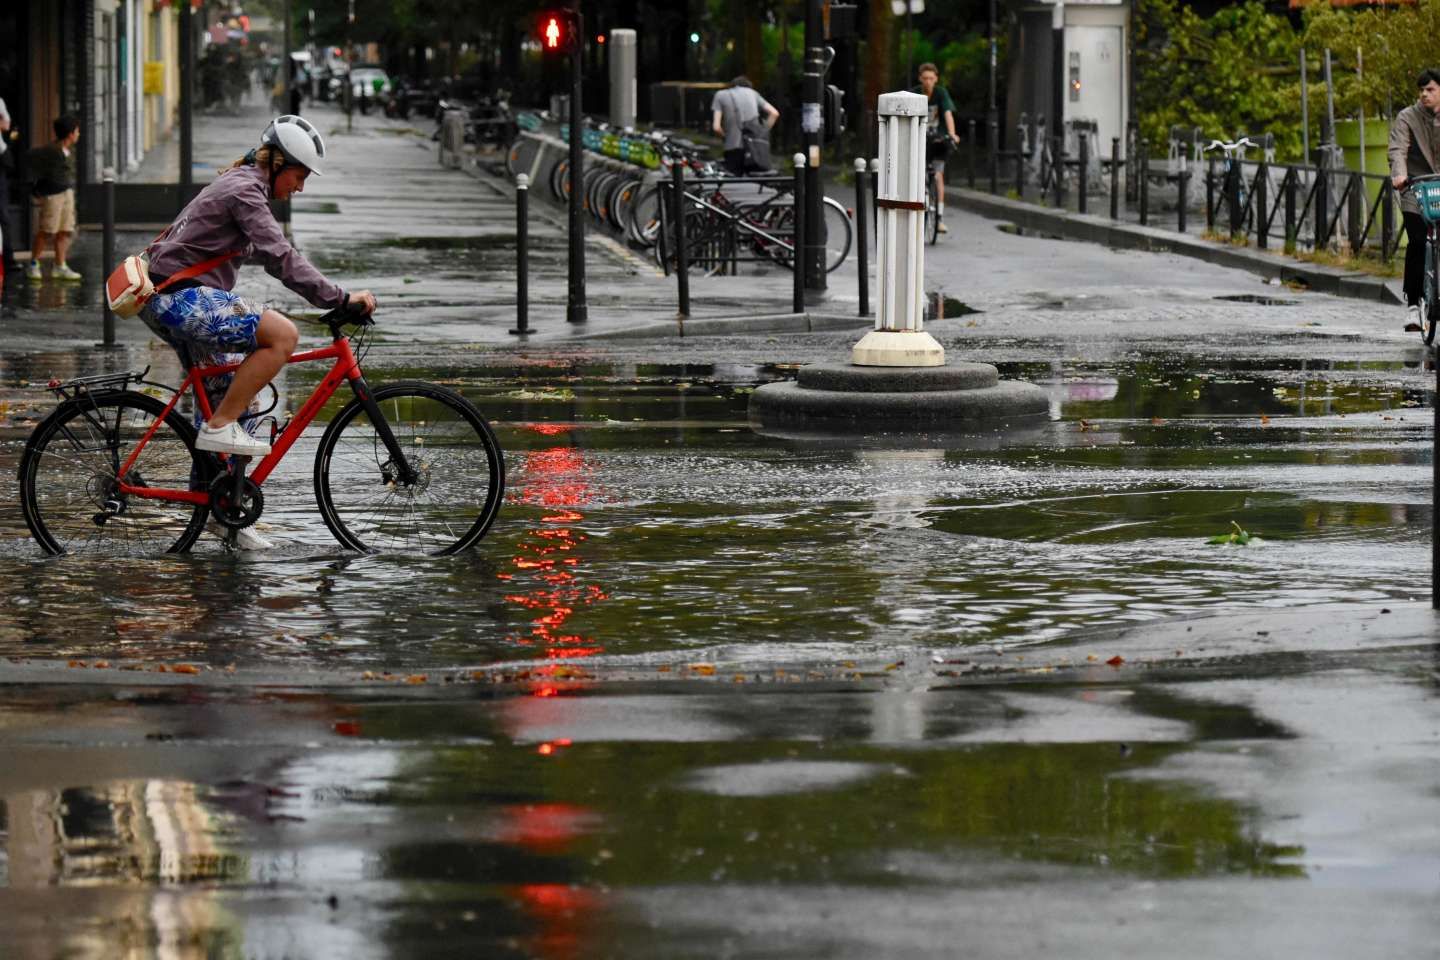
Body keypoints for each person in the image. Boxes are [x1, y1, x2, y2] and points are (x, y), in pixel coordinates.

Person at [139, 115, 375, 543]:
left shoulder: (244, 182)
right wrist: (338, 298)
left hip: (173, 297)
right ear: (278, 162)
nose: (300, 187)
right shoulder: (246, 190)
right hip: (177, 298)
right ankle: (218, 427)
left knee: (240, 401)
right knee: (282, 336)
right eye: (299, 176)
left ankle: (224, 510)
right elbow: (280, 257)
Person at [1389, 68, 1440, 330]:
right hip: (1415, 188)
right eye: (1421, 90)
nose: (1424, 95)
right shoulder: (1407, 117)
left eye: (1430, 89)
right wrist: (1400, 175)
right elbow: (1398, 149)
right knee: (1418, 240)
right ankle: (1412, 304)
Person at [26, 115, 81, 282]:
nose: (79, 134)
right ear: (70, 134)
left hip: (67, 193)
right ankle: (34, 264)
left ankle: (60, 265)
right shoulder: (51, 150)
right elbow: (30, 159)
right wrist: (36, 187)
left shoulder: (69, 150)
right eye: (77, 131)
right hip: (53, 196)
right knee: (47, 230)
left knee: (64, 231)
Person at [913, 63, 960, 234]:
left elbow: (947, 113)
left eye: (931, 79)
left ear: (936, 79)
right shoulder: (914, 94)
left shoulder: (941, 93)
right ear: (920, 79)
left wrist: (952, 134)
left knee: (938, 174)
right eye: (925, 78)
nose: (928, 82)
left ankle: (939, 218)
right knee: (916, 174)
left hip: (937, 139)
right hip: (918, 138)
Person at [711, 76, 779, 175]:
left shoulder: (720, 95)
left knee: (735, 184)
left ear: (732, 85)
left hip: (732, 147)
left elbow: (716, 127)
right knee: (755, 183)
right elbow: (774, 113)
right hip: (754, 147)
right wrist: (761, 133)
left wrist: (725, 137)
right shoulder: (753, 94)